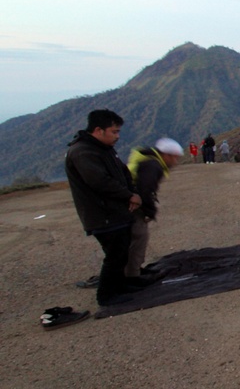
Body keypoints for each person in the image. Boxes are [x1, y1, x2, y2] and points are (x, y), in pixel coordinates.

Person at [64, 109, 143, 306]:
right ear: (98, 130)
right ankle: (106, 296)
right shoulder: (82, 152)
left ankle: (121, 285)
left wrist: (132, 193)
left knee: (123, 251)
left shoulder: (103, 148)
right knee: (114, 255)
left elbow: (123, 173)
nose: (117, 136)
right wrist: (129, 195)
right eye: (114, 132)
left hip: (116, 211)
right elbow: (99, 182)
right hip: (102, 214)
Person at [125, 138, 183, 278]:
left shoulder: (150, 161)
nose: (175, 162)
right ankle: (132, 275)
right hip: (134, 206)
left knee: (135, 239)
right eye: (175, 158)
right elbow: (145, 190)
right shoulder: (153, 165)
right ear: (167, 155)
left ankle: (134, 269)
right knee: (139, 238)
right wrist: (149, 211)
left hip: (131, 203)